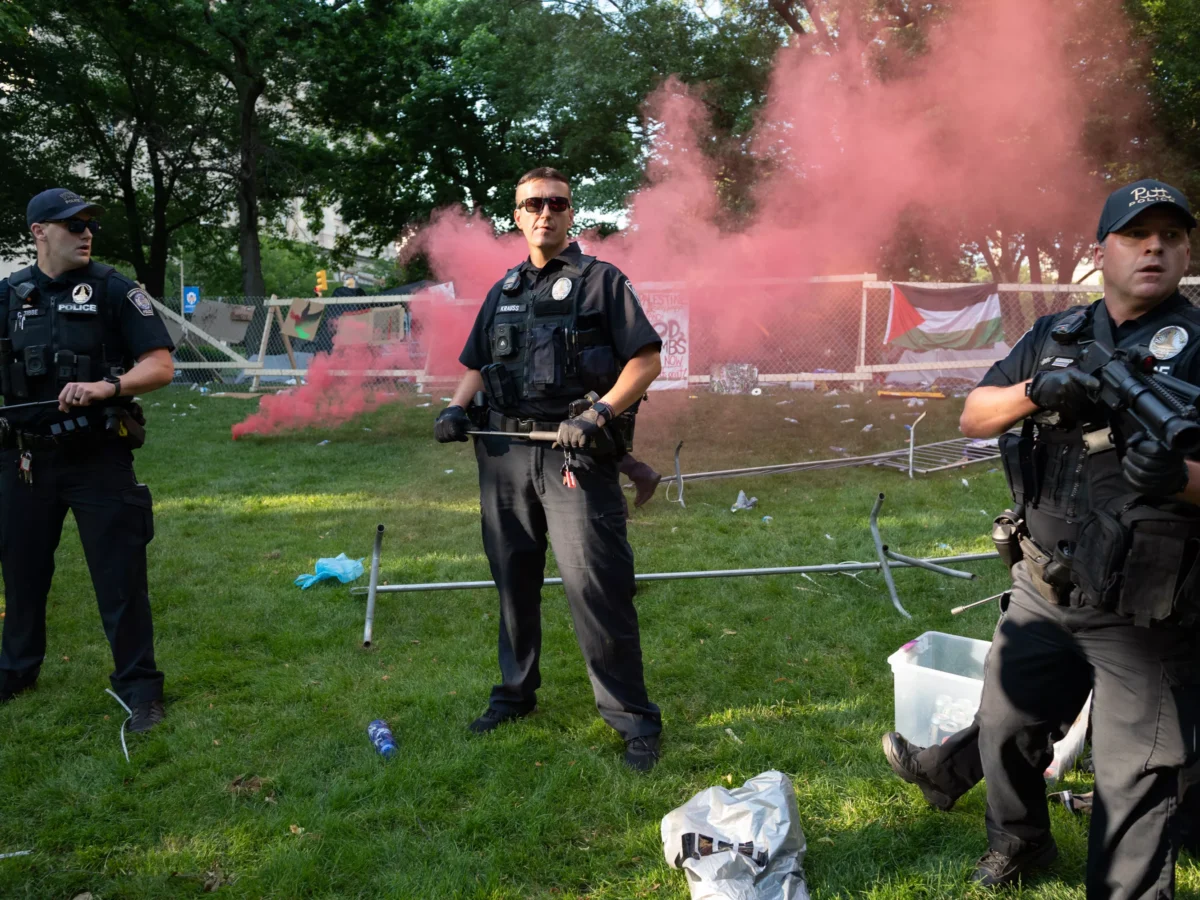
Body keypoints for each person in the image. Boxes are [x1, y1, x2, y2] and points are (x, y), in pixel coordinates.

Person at [951, 178, 1200, 896]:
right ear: (1103, 252)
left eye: (1172, 235)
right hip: (1041, 585)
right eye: (1135, 233)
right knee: (1003, 726)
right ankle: (1022, 845)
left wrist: (1179, 477)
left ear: (1185, 251)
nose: (1154, 245)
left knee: (1133, 781)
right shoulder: (1055, 333)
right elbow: (974, 416)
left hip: (1143, 606)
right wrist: (1037, 392)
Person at [433, 167, 664, 771]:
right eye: (533, 203)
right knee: (513, 582)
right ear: (518, 216)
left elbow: (645, 362)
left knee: (597, 585)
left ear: (570, 213)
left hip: (576, 457)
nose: (545, 213)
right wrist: (456, 407)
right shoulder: (503, 290)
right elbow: (478, 363)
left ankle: (632, 718)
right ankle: (514, 694)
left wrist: (600, 414)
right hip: (505, 458)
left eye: (556, 203)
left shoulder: (601, 283)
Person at [0, 189, 175, 732]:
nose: (85, 232)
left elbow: (161, 364)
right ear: (39, 232)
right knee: (22, 575)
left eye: (89, 224)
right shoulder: (8, 296)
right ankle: (16, 672)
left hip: (99, 457)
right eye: (72, 224)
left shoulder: (113, 290)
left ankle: (140, 688)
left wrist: (109, 386)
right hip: (26, 461)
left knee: (119, 576)